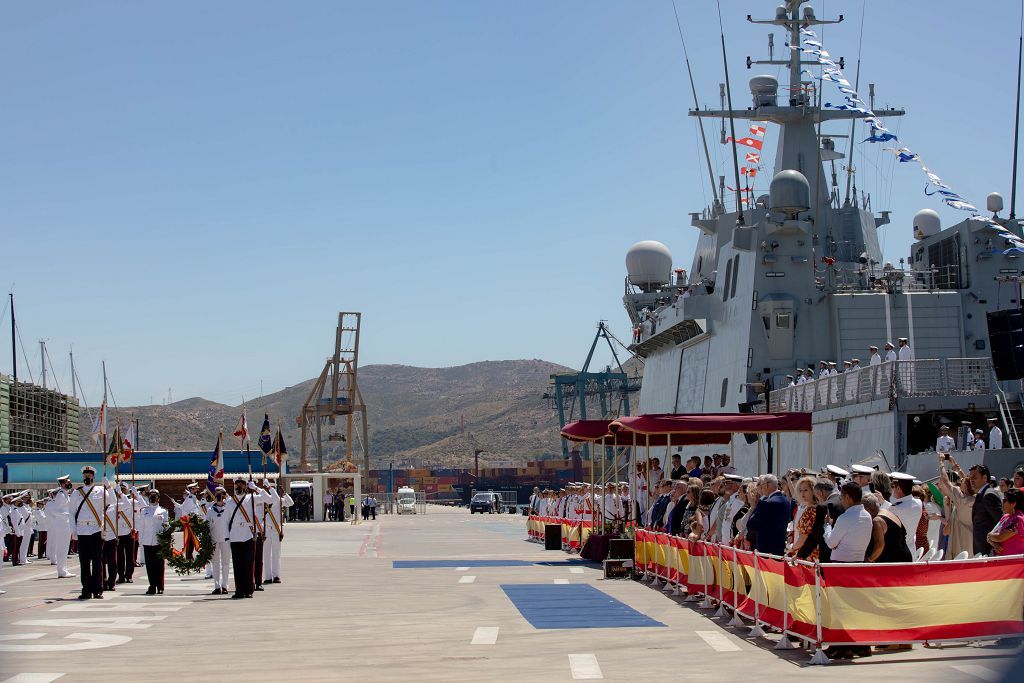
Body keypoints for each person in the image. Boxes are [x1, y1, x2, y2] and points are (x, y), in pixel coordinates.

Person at [226, 478, 273, 599]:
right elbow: (226, 520)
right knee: (237, 565)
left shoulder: (252, 498)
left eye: (242, 484)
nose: (239, 487)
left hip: (248, 535)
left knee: (249, 564)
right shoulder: (229, 501)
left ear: (246, 486)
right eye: (237, 484)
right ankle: (239, 590)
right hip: (235, 535)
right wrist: (227, 536)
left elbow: (270, 499)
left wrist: (257, 488)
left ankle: (249, 590)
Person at [69, 466, 108, 600]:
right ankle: (86, 589)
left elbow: (113, 502)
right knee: (84, 563)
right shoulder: (76, 493)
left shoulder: (100, 491)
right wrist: (73, 530)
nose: (87, 477)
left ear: (93, 477)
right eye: (85, 475)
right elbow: (72, 512)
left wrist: (108, 487)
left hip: (95, 530)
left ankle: (97, 589)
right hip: (81, 531)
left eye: (89, 475)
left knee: (97, 561)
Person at [936, 455, 975, 558]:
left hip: (959, 538)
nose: (960, 482)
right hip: (970, 537)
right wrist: (955, 465)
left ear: (965, 486)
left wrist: (941, 463)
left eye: (962, 482)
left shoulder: (961, 499)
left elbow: (946, 480)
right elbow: (967, 481)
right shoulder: (974, 498)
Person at [744, 475, 789, 556]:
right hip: (779, 547)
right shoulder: (785, 500)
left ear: (767, 485)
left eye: (762, 485)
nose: (761, 488)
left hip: (766, 550)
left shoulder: (767, 503)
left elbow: (751, 524)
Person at [863, 492, 912, 563]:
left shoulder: (877, 521)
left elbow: (879, 545)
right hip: (905, 557)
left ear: (867, 510)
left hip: (895, 562)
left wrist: (869, 560)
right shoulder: (887, 512)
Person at [262, 479, 293, 584]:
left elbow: (290, 503)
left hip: (276, 529)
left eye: (272, 488)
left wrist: (284, 493)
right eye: (269, 488)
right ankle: (267, 577)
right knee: (266, 555)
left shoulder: (279, 500)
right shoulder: (263, 499)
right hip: (266, 529)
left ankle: (276, 576)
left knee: (276, 554)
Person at [139, 488, 169, 595]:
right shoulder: (144, 511)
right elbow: (141, 526)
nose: (152, 498)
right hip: (147, 541)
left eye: (154, 496)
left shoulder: (163, 511)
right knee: (150, 566)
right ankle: (152, 586)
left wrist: (166, 541)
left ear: (158, 498)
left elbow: (166, 526)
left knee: (159, 566)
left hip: (158, 542)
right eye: (150, 496)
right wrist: (140, 541)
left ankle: (160, 587)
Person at [969, 464, 1003, 555]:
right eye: (970, 478)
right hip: (981, 547)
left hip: (988, 548)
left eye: (974, 477)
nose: (971, 481)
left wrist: (994, 541)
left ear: (984, 478)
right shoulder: (982, 493)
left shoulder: (988, 495)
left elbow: (1001, 520)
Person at [791, 476, 826, 561]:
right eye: (800, 490)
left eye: (806, 490)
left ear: (813, 491)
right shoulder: (814, 507)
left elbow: (804, 536)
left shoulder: (811, 510)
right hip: (813, 552)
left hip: (808, 554)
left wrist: (792, 548)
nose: (802, 493)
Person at [888, 472, 923, 558]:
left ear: (898, 488)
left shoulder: (896, 508)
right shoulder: (918, 503)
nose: (892, 490)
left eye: (893, 487)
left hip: (898, 552)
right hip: (911, 549)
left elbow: (888, 511)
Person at [46, 476, 74, 578]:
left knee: (65, 548)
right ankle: (62, 571)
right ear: (63, 484)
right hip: (62, 525)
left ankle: (64, 569)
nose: (70, 483)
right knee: (62, 548)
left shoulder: (65, 494)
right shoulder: (61, 495)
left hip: (66, 524)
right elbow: (54, 510)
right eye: (68, 482)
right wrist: (66, 515)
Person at [205, 486, 231, 594]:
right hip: (214, 540)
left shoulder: (229, 508)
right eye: (217, 495)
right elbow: (207, 525)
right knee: (215, 563)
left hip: (226, 539)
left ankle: (225, 585)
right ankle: (217, 586)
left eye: (221, 495)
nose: (219, 497)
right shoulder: (210, 510)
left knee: (225, 563)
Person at [987, 488, 1024, 555]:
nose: (1002, 503)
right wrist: (993, 543)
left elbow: (1000, 537)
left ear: (1013, 504)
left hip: (1014, 561)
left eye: (1004, 500)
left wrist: (990, 536)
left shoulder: (1017, 519)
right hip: (1003, 559)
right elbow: (991, 536)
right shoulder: (1005, 516)